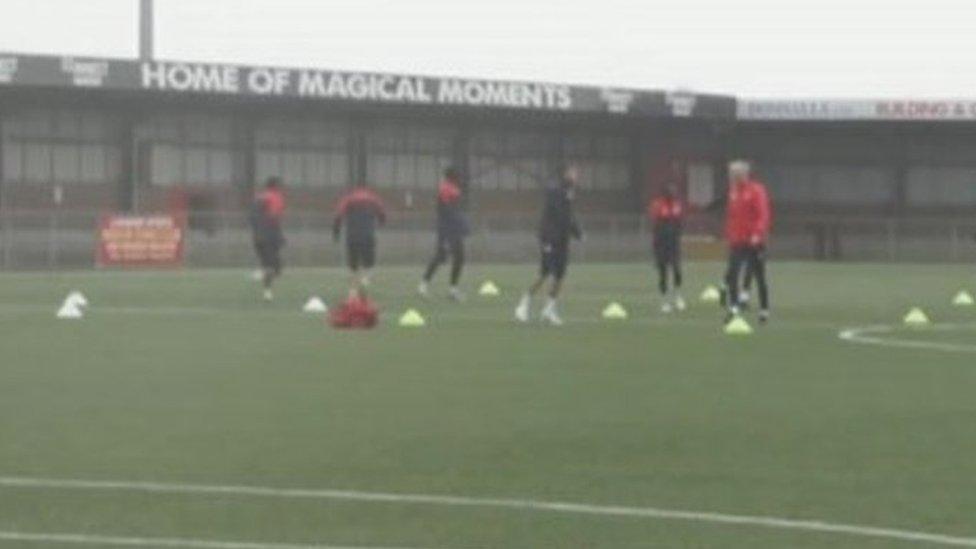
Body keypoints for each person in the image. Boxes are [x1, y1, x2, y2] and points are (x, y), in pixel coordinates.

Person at [515, 164, 583, 326]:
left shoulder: (569, 192)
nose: (576, 176)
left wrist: (577, 233)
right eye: (573, 173)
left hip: (562, 240)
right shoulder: (556, 190)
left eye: (577, 174)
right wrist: (571, 230)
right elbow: (559, 214)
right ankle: (523, 304)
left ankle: (549, 309)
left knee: (560, 276)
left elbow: (569, 215)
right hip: (550, 239)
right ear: (565, 174)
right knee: (545, 274)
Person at [723, 160, 772, 324]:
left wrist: (758, 233)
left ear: (743, 174)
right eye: (731, 174)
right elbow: (732, 216)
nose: (732, 177)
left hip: (754, 241)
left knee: (759, 275)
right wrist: (730, 235)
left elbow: (763, 214)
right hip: (738, 241)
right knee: (732, 273)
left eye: (734, 174)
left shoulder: (756, 190)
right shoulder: (733, 192)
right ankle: (734, 306)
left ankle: (764, 309)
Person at [418, 167, 469, 301]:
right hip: (447, 229)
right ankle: (423, 286)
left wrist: (461, 223)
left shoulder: (452, 188)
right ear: (452, 176)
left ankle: (452, 290)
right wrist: (457, 223)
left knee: (459, 257)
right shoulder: (446, 188)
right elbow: (446, 209)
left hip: (453, 228)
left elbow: (454, 209)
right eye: (458, 176)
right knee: (441, 256)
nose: (460, 178)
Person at [333, 182, 387, 299]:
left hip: (352, 236)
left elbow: (339, 215)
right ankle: (365, 281)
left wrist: (336, 232)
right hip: (368, 235)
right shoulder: (373, 198)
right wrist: (381, 222)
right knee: (369, 264)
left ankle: (353, 291)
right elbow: (382, 213)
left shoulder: (349, 199)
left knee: (353, 267)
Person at [648, 184, 686, 313]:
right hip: (662, 243)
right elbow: (655, 224)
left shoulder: (677, 205)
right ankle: (664, 301)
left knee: (677, 270)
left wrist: (678, 236)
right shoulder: (658, 205)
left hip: (674, 243)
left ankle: (677, 296)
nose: (673, 195)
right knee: (663, 273)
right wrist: (656, 245)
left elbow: (680, 223)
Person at [249, 177, 286, 301]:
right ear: (275, 186)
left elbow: (251, 218)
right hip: (270, 235)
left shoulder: (258, 197)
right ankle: (260, 275)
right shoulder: (275, 197)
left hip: (257, 236)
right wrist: (279, 235)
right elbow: (273, 217)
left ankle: (267, 292)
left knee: (267, 264)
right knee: (275, 267)